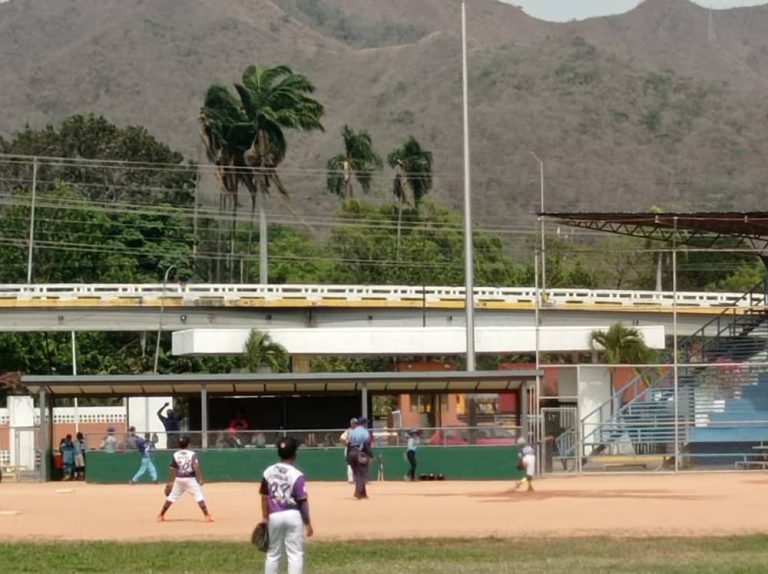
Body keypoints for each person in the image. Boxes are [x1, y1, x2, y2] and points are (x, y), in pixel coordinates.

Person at [260, 436, 313, 574]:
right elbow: (302, 501)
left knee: (272, 553)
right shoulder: (297, 475)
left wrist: (265, 518)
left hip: (274, 515)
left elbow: (264, 497)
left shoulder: (268, 471)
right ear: (295, 454)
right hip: (293, 515)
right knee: (295, 554)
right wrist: (307, 523)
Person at [157, 435, 213, 522]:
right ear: (189, 444)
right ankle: (206, 516)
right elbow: (196, 466)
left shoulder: (175, 454)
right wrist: (200, 479)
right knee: (198, 495)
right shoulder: (192, 454)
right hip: (189, 478)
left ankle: (161, 515)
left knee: (171, 497)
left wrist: (170, 482)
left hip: (179, 479)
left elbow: (172, 468)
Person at [346, 416, 372, 499]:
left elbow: (348, 444)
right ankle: (357, 494)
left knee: (358, 474)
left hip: (351, 453)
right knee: (360, 474)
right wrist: (370, 455)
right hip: (359, 453)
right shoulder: (364, 431)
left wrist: (347, 457)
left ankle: (363, 493)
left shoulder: (353, 431)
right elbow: (366, 444)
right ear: (364, 424)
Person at [339, 418, 357, 483]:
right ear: (351, 423)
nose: (355, 424)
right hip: (349, 449)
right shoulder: (348, 431)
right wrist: (347, 444)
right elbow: (341, 438)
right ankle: (350, 479)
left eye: (356, 423)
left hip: (357, 449)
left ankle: (358, 478)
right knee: (350, 464)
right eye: (353, 423)